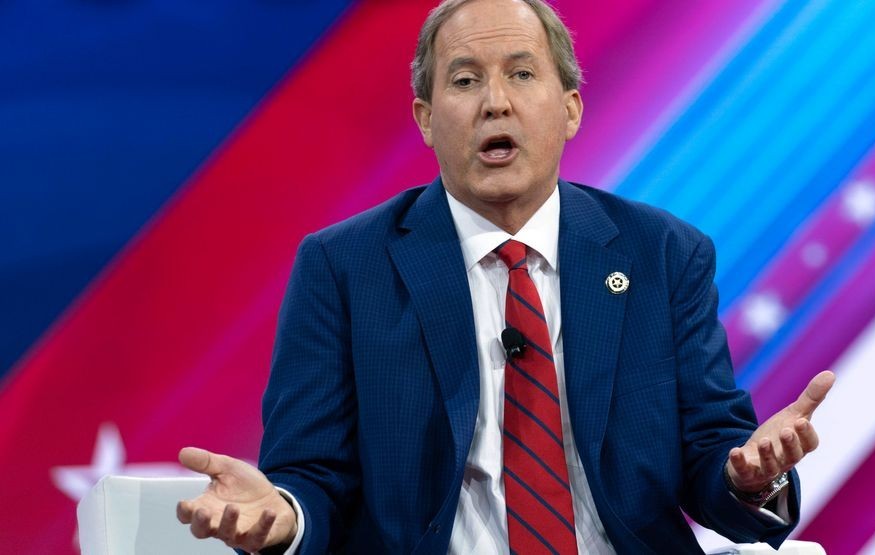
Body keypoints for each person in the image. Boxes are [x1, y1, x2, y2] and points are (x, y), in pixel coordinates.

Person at [176, 0, 835, 553]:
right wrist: (284, 514)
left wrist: (749, 476)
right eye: (464, 81)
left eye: (522, 74)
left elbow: (709, 448)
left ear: (570, 108)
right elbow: (311, 471)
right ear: (426, 118)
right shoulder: (344, 266)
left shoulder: (662, 253)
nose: (495, 103)